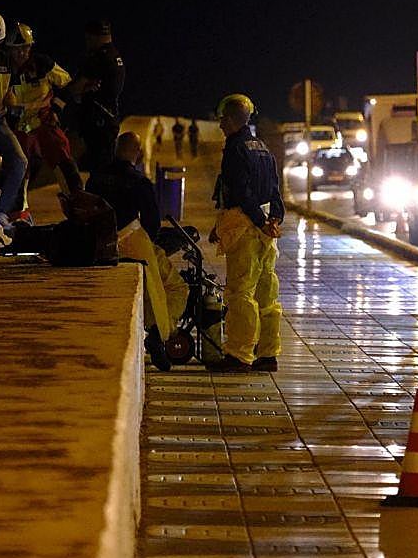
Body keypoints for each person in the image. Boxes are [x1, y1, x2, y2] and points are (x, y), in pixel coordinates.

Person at [92, 131, 189, 354]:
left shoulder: (96, 178)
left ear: (116, 150)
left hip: (98, 244)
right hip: (132, 243)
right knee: (167, 287)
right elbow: (151, 222)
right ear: (137, 153)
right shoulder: (139, 181)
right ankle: (159, 334)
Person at [209, 94, 284, 373]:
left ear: (230, 120)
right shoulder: (263, 147)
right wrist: (273, 219)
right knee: (267, 294)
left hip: (247, 228)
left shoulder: (234, 149)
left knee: (240, 292)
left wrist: (258, 221)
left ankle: (239, 355)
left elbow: (240, 192)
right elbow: (275, 191)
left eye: (221, 121)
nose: (219, 126)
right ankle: (268, 354)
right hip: (265, 231)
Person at [6, 24, 82, 195]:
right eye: (16, 49)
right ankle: (18, 213)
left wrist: (55, 109)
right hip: (17, 127)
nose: (21, 53)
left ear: (31, 46)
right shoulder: (3, 69)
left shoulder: (43, 64)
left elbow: (68, 85)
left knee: (62, 157)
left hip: (44, 121)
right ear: (9, 50)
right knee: (18, 168)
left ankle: (77, 200)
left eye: (25, 48)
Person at [0, 10, 32, 233]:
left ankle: (0, 215)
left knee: (20, 162)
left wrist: (10, 98)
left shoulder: (5, 60)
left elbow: (6, 89)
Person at [68, 20, 125, 173]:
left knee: (97, 170)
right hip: (110, 119)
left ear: (93, 37)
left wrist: (72, 89)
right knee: (105, 166)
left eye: (88, 38)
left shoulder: (97, 58)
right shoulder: (115, 55)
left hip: (97, 123)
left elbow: (75, 88)